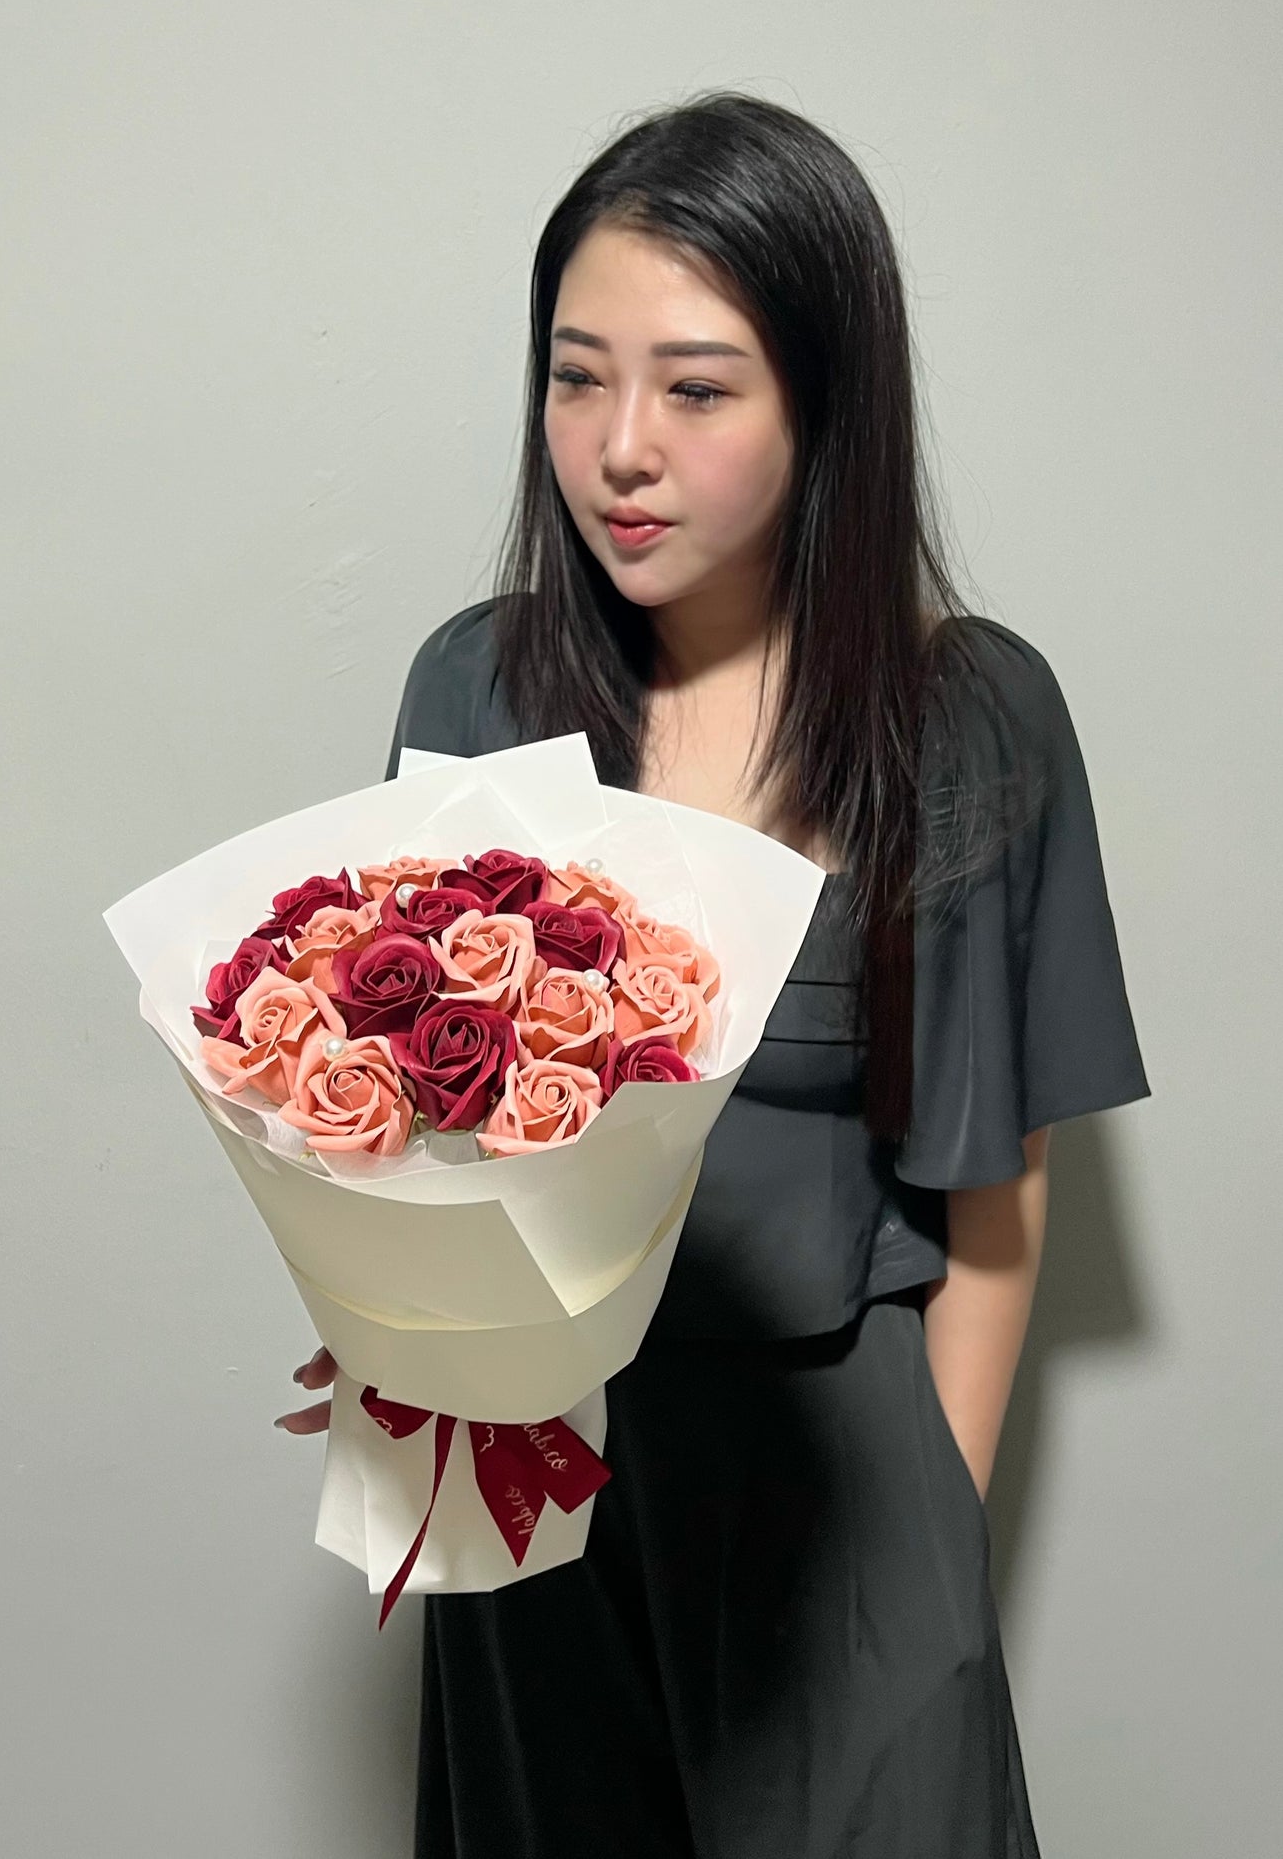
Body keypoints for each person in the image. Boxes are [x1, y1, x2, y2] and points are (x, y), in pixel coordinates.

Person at [275, 91, 1150, 1858]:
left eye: (693, 387)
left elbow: (990, 1214)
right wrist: (400, 1351)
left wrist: (918, 1578)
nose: (617, 449)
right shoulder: (476, 688)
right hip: (537, 1479)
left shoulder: (973, 720)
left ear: (824, 405)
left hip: (840, 1497)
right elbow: (411, 1146)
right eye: (574, 375)